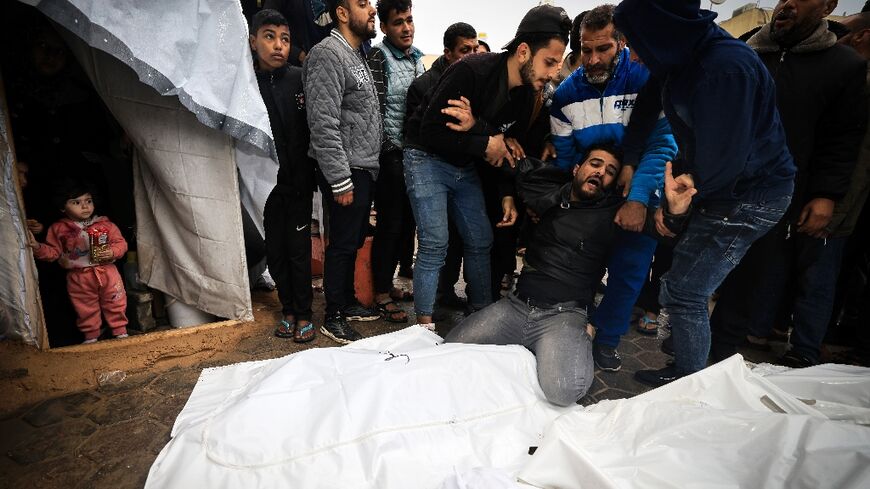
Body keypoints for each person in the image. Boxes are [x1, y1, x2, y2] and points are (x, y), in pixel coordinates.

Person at [613, 0, 796, 386]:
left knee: (687, 291)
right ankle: (682, 359)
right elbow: (646, 113)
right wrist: (629, 161)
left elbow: (723, 163)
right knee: (677, 283)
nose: (631, 52)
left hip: (751, 195)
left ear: (658, 29)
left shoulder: (726, 69)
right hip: (716, 185)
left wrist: (675, 211)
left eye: (634, 41)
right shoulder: (675, 57)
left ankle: (688, 384)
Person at [446, 146, 696, 406]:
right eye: (595, 164)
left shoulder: (614, 211)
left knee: (563, 392)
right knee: (449, 350)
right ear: (577, 169)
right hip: (515, 307)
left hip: (563, 317)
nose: (600, 172)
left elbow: (663, 231)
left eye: (610, 171)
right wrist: (488, 139)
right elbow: (506, 161)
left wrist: (675, 214)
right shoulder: (545, 192)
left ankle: (582, 337)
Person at [709, 0, 866, 368]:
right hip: (723, 184)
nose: (787, 4)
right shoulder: (748, 50)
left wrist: (825, 194)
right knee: (704, 269)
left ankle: (715, 360)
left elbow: (842, 138)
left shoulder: (843, 66)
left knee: (749, 278)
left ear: (828, 5)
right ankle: (689, 343)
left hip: (779, 194)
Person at [402, 5, 571, 330]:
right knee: (435, 240)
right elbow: (430, 131)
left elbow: (506, 148)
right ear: (523, 51)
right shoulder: (471, 71)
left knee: (481, 239)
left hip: (465, 165)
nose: (552, 74)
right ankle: (422, 327)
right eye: (549, 62)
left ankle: (482, 315)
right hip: (424, 156)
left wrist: (506, 192)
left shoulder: (524, 96)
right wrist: (486, 142)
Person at [548, 4, 677, 372]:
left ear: (620, 43)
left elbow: (662, 145)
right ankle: (572, 330)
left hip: (639, 194)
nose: (592, 58)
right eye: (585, 49)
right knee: (581, 269)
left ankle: (606, 340)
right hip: (590, 197)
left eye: (602, 48)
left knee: (628, 272)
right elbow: (564, 155)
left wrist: (638, 198)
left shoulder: (647, 78)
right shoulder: (565, 95)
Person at [304, 0, 382, 344]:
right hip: (346, 167)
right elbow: (323, 123)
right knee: (341, 244)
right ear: (342, 12)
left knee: (350, 241)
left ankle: (348, 302)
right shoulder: (327, 54)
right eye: (362, 3)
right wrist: (339, 178)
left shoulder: (355, 53)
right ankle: (333, 315)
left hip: (361, 165)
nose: (372, 9)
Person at [250, 10, 318, 342]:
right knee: (275, 251)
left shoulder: (300, 78)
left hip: (300, 184)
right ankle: (287, 309)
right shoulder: (246, 87)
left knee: (298, 250)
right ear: (252, 41)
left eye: (286, 39)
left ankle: (304, 313)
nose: (279, 45)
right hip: (265, 188)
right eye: (269, 36)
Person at [404, 22, 478, 310]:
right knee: (435, 242)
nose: (471, 55)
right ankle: (427, 314)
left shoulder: (474, 85)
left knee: (461, 239)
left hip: (462, 170)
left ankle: (446, 292)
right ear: (448, 53)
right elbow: (416, 135)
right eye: (464, 50)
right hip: (429, 168)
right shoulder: (422, 86)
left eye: (474, 49)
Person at [367, 0, 424, 323]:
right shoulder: (379, 57)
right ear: (385, 27)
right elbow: (375, 107)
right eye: (398, 22)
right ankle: (381, 293)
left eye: (410, 20)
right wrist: (389, 149)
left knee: (406, 225)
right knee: (390, 224)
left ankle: (390, 284)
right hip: (390, 153)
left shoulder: (417, 58)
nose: (406, 28)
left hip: (414, 153)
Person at [28, 179, 129, 344]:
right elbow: (53, 253)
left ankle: (120, 331)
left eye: (88, 201)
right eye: (76, 202)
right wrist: (37, 246)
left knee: (115, 301)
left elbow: (121, 244)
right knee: (85, 307)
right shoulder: (59, 229)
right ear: (62, 207)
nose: (85, 206)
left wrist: (112, 251)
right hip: (78, 277)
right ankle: (91, 336)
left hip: (108, 272)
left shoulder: (106, 224)